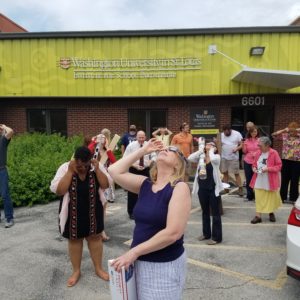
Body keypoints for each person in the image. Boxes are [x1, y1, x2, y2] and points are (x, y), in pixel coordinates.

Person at [108, 139, 191, 300]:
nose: (165, 149)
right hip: (138, 261)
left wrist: (134, 252)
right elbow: (113, 170)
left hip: (163, 267)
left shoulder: (179, 188)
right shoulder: (145, 184)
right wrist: (142, 150)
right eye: (164, 148)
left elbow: (173, 233)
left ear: (178, 165)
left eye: (172, 149)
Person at [50, 146, 110, 287]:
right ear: (74, 160)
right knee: (75, 240)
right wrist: (71, 172)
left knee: (95, 238)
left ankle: (98, 269)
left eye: (85, 165)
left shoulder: (95, 166)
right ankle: (76, 271)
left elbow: (106, 185)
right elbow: (59, 191)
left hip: (93, 210)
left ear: (90, 161)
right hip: (73, 212)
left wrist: (97, 169)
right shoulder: (66, 168)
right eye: (79, 165)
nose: (82, 168)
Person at [188, 141, 223, 245]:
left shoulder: (216, 157)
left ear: (214, 148)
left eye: (211, 144)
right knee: (205, 212)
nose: (208, 145)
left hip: (213, 189)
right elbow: (190, 158)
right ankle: (206, 234)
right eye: (207, 144)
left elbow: (212, 158)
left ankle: (216, 238)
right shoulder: (201, 157)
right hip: (202, 188)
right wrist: (200, 150)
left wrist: (211, 151)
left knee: (215, 213)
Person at [249, 137, 282, 224]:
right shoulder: (258, 153)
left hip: (270, 179)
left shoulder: (274, 153)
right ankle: (258, 216)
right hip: (259, 179)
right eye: (258, 145)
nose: (259, 147)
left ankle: (271, 212)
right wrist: (254, 168)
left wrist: (268, 169)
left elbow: (279, 166)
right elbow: (254, 164)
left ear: (267, 145)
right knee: (259, 197)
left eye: (260, 145)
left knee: (270, 197)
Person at [123, 131, 153, 219]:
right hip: (134, 169)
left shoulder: (149, 145)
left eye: (143, 138)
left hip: (146, 169)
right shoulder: (131, 146)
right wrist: (134, 165)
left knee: (147, 190)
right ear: (136, 137)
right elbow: (125, 158)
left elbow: (154, 157)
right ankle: (131, 212)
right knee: (132, 191)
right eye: (139, 137)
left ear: (145, 137)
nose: (141, 139)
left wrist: (149, 162)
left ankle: (146, 210)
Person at [272, 122, 300, 203]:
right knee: (284, 179)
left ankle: (293, 198)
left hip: (297, 161)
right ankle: (282, 197)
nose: (291, 131)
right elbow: (273, 135)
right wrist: (284, 130)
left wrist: (297, 130)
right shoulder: (285, 136)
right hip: (286, 160)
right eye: (290, 129)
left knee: (295, 180)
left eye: (293, 129)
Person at [220, 124, 243, 196]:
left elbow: (242, 144)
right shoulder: (221, 135)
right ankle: (226, 189)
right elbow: (219, 144)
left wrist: (237, 149)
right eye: (224, 131)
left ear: (230, 130)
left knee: (236, 173)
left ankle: (240, 189)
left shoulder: (237, 134)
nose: (226, 132)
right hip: (224, 157)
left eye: (227, 131)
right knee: (225, 173)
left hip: (234, 157)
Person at [0, 124, 14, 228]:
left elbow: (11, 132)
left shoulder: (3, 141)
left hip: (2, 171)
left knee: (5, 195)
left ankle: (9, 218)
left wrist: (4, 126)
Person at [242, 126, 260, 201]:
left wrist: (256, 153)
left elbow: (262, 150)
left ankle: (257, 195)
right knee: (249, 178)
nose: (254, 133)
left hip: (257, 162)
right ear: (250, 133)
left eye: (255, 132)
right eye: (252, 132)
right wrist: (243, 145)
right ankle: (249, 195)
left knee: (256, 178)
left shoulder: (260, 140)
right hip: (248, 161)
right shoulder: (246, 141)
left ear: (257, 132)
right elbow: (244, 152)